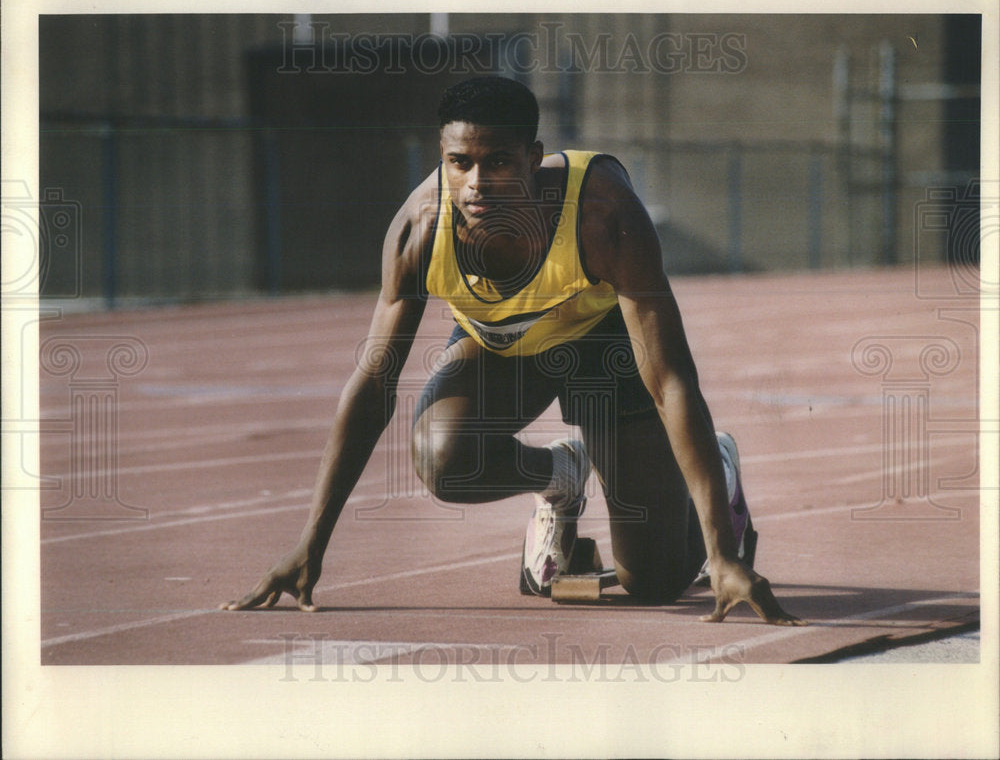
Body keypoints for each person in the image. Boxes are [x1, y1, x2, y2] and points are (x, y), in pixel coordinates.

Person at [220, 76, 804, 626]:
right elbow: (374, 385)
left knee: (653, 582)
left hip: (605, 347)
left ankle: (720, 472)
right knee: (443, 458)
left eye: (497, 161)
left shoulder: (604, 215)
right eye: (459, 163)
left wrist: (722, 554)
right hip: (503, 346)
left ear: (533, 157)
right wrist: (309, 544)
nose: (476, 182)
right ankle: (562, 475)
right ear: (442, 159)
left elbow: (671, 379)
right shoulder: (419, 231)